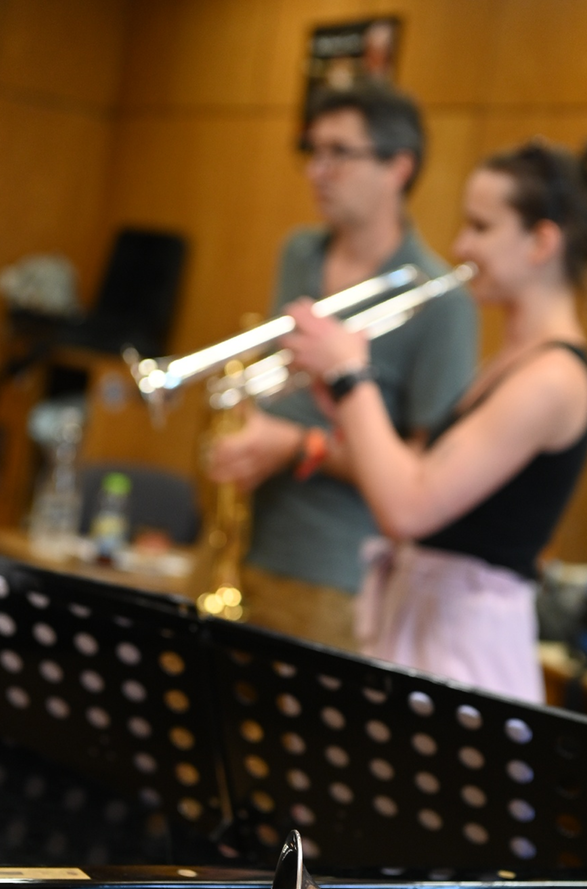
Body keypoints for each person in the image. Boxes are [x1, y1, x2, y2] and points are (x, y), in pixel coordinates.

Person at [267, 138, 587, 701]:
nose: (461, 245)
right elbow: (418, 475)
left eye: (481, 227)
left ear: (542, 242)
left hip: (465, 658)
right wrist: (342, 403)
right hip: (426, 633)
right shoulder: (512, 360)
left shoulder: (555, 378)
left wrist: (351, 377)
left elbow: (408, 508)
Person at [210, 85, 477, 647]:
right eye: (313, 151)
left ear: (398, 168)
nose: (317, 171)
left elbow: (425, 477)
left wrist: (297, 446)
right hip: (245, 544)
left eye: (339, 153)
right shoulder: (299, 252)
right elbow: (280, 382)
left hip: (335, 575)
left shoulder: (440, 301)